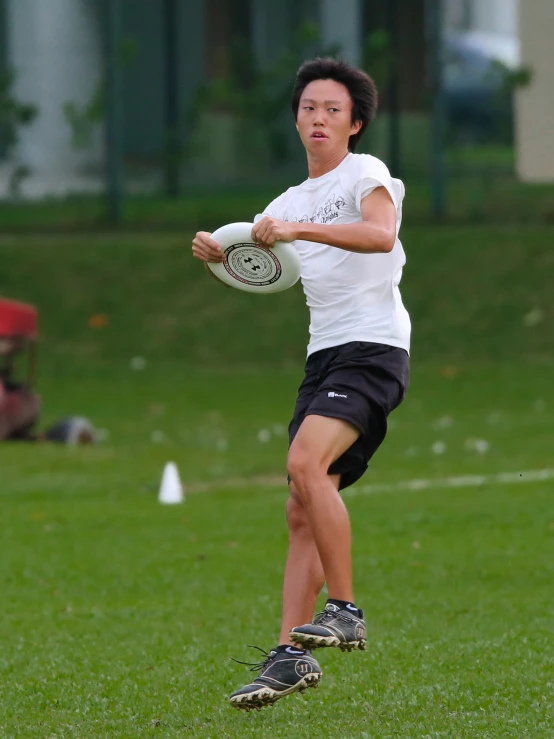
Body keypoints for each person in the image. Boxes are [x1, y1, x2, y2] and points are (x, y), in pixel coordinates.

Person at [192, 56, 411, 712]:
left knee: (304, 462)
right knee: (300, 502)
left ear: (355, 124)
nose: (319, 117)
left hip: (372, 348)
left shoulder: (364, 174)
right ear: (296, 119)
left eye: (333, 110)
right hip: (324, 356)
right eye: (309, 107)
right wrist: (218, 255)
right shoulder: (285, 202)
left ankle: (345, 609)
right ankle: (290, 652)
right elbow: (261, 262)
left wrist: (297, 229)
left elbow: (381, 234)